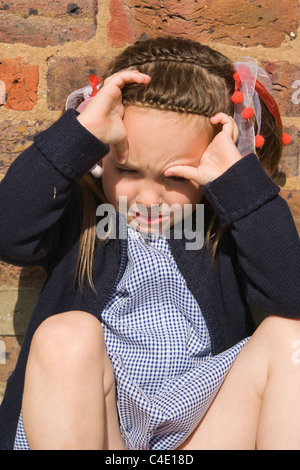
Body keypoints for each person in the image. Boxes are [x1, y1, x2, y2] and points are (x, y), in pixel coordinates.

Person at [0, 36, 299, 451]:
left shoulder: (220, 224)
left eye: (177, 176)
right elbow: (8, 232)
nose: (147, 197)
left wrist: (237, 184)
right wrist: (81, 133)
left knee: (292, 339)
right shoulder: (83, 213)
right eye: (126, 169)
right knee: (64, 334)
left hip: (202, 426)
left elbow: (292, 294)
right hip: (97, 426)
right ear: (100, 154)